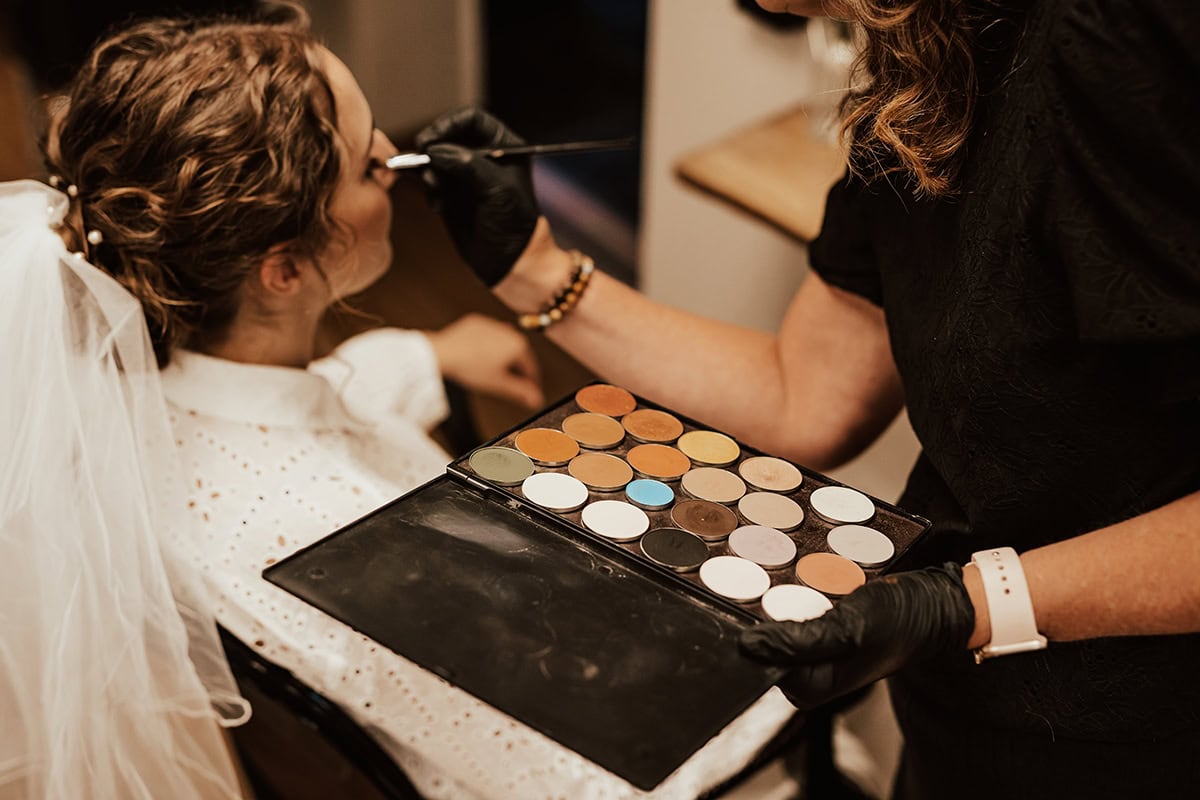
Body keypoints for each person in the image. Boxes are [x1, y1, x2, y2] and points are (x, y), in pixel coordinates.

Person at [414, 1, 1200, 797]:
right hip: (971, 712)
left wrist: (969, 602)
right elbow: (806, 395)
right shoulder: (926, 59)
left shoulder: (1122, 39)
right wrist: (533, 268)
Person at [38, 5, 801, 798]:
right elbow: (579, 780)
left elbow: (311, 400)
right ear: (285, 271)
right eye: (370, 166)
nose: (399, 157)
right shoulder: (349, 553)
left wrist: (425, 354)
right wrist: (798, 684)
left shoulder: (125, 393)